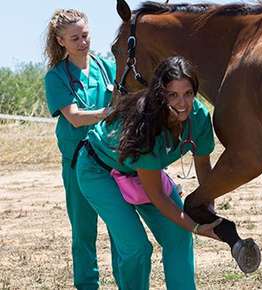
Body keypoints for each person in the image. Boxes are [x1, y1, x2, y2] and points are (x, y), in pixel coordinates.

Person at [74, 56, 222, 290]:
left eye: (188, 93)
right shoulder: (146, 125)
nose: (182, 103)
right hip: (98, 170)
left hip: (141, 172)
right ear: (160, 94)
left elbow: (203, 166)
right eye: (172, 94)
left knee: (179, 236)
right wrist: (194, 226)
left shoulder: (199, 117)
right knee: (136, 247)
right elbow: (158, 197)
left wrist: (207, 210)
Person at [43, 9, 117, 289]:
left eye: (85, 35)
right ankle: (87, 285)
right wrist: (108, 112)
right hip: (77, 163)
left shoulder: (106, 67)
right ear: (61, 41)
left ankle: (127, 282)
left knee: (119, 229)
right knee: (84, 232)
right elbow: (73, 117)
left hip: (111, 161)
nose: (83, 42)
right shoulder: (56, 77)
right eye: (75, 38)